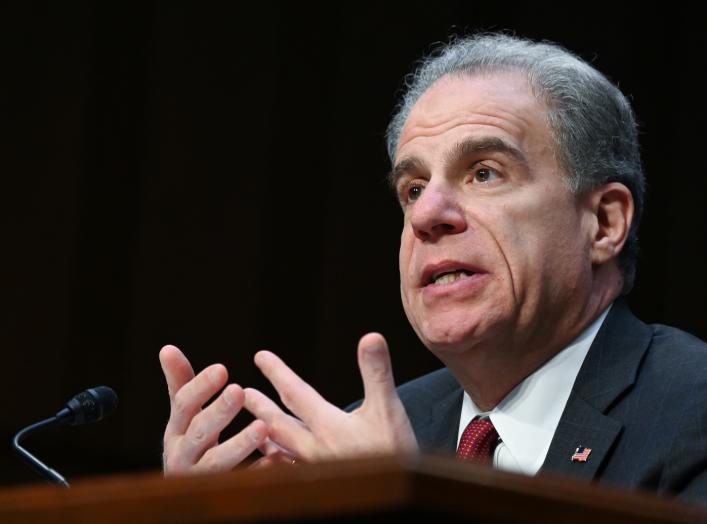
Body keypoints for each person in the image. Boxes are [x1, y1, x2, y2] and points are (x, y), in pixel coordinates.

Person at [159, 33, 707, 502]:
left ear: (604, 224)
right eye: (413, 188)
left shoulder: (692, 410)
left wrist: (401, 505)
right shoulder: (369, 437)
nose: (426, 214)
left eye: (484, 173)